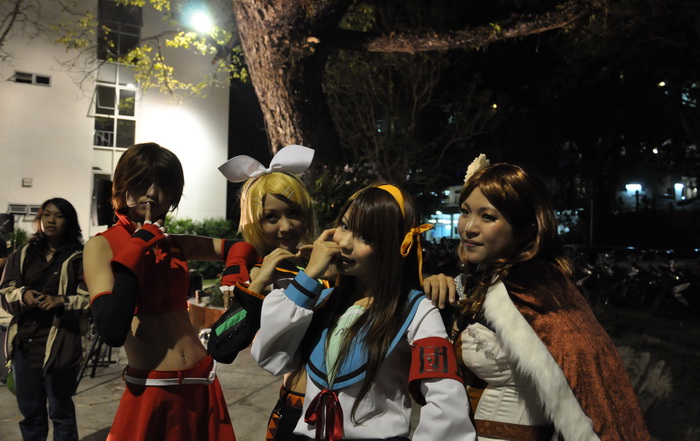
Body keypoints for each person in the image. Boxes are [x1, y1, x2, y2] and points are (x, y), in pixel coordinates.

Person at [423, 155, 651, 441]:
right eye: (465, 212)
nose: (469, 227)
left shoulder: (540, 291)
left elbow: (591, 389)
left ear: (525, 230)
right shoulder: (476, 284)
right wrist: (435, 293)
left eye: (488, 216)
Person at [252, 183, 476, 441]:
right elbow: (270, 356)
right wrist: (309, 275)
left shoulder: (416, 310)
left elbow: (447, 405)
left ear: (395, 246)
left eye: (365, 237)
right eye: (345, 226)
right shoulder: (321, 300)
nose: (345, 244)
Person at [83, 142, 237, 441]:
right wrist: (136, 249)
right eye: (142, 182)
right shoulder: (101, 246)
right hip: (152, 387)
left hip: (202, 379)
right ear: (123, 187)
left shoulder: (173, 243)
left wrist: (235, 269)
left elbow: (239, 248)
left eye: (163, 185)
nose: (152, 193)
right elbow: (111, 330)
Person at [215, 144, 322, 441]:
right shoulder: (253, 273)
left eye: (294, 213)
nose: (286, 227)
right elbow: (221, 346)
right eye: (271, 218)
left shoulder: (326, 262)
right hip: (297, 406)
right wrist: (257, 284)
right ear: (254, 222)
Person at [1, 198, 89, 441]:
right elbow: (6, 290)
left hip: (61, 343)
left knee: (61, 410)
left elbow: (91, 299)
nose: (51, 220)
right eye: (46, 215)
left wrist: (61, 301)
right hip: (25, 343)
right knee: (31, 411)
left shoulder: (79, 257)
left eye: (58, 216)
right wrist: (23, 295)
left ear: (69, 222)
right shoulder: (23, 254)